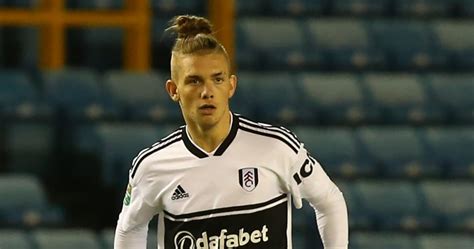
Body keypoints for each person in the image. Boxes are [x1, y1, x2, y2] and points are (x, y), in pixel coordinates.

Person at [114, 15, 348, 249]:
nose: (207, 91)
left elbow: (330, 201)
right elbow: (130, 228)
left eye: (217, 79)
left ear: (231, 85)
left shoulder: (276, 146)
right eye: (194, 81)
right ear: (174, 90)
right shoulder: (152, 165)